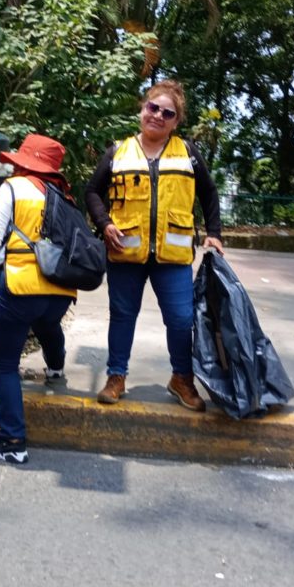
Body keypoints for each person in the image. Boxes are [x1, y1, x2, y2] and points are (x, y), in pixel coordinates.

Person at [84, 79, 223, 411]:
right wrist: (105, 223)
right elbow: (92, 191)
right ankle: (116, 376)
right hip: (125, 252)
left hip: (172, 256)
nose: (158, 115)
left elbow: (209, 193)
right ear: (141, 109)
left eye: (168, 113)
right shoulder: (118, 152)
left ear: (176, 122)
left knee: (180, 318)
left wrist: (214, 231)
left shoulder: (188, 154)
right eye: (153, 107)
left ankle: (181, 379)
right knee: (122, 316)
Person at [0, 134, 75, 464]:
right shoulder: (63, 195)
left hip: (20, 288)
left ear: (23, 163)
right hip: (60, 290)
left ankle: (11, 442)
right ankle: (55, 369)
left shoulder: (13, 189)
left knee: (5, 365)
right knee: (48, 324)